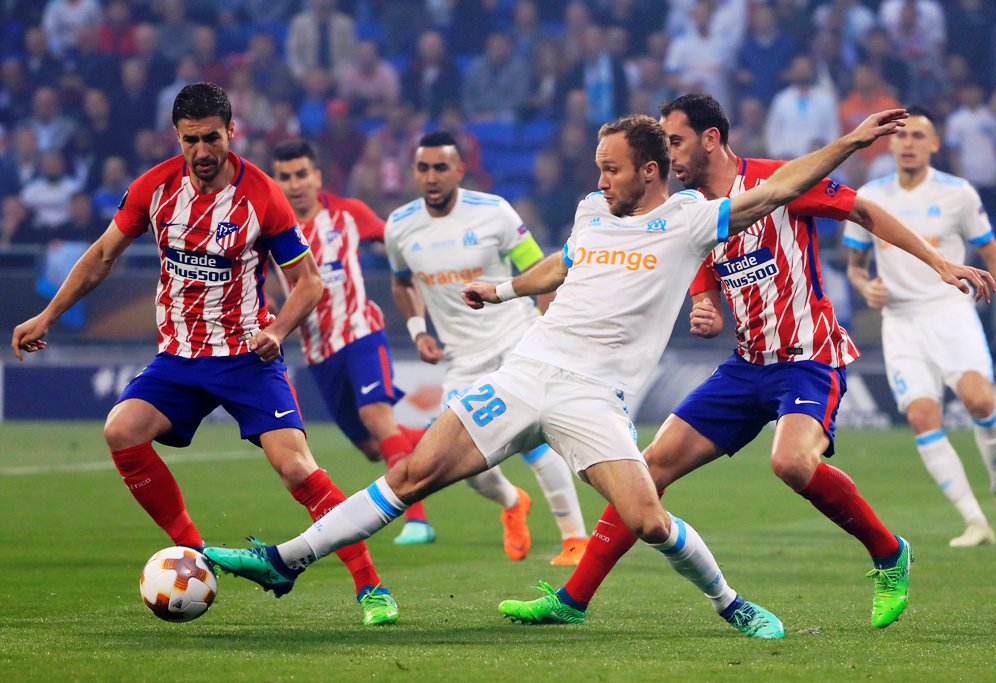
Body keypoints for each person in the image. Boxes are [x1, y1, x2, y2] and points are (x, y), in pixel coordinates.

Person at [202, 108, 924, 637]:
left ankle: (729, 602)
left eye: (612, 169)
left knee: (648, 519)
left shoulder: (689, 220)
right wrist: (505, 290)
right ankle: (286, 559)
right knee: (411, 473)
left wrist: (850, 142)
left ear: (648, 172)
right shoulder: (589, 210)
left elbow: (777, 190)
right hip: (527, 370)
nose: (599, 180)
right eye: (598, 167)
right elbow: (566, 263)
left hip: (594, 398)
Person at [498, 94, 994, 631]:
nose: (668, 154)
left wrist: (939, 262)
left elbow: (863, 210)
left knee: (792, 463)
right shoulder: (689, 209)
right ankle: (572, 600)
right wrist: (706, 302)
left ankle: (889, 552)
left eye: (676, 141)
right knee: (648, 469)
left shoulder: (776, 181)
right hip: (746, 365)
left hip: (808, 359)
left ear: (710, 138)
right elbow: (702, 268)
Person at [10, 83, 398, 627]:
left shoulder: (262, 195)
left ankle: (370, 586)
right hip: (179, 358)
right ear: (177, 136)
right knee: (122, 430)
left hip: (246, 357)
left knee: (296, 468)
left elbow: (309, 282)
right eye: (191, 140)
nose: (202, 150)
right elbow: (101, 256)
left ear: (231, 131)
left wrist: (278, 329)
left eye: (212, 137)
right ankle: (195, 554)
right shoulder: (153, 188)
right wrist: (48, 315)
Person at [384, 131, 589, 564]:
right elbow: (402, 283)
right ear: (414, 173)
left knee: (535, 441)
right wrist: (419, 330)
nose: (432, 177)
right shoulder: (399, 227)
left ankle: (575, 539)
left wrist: (550, 330)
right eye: (423, 168)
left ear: (459, 171)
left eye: (441, 167)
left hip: (517, 340)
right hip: (463, 361)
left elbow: (542, 270)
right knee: (457, 461)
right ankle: (513, 502)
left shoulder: (494, 212)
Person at [845, 107, 996, 547]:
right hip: (900, 322)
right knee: (922, 416)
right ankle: (974, 521)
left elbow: (995, 257)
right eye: (902, 136)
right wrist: (866, 287)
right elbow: (855, 266)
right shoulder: (870, 196)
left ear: (935, 144)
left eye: (919, 136)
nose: (909, 143)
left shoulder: (957, 193)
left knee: (980, 400)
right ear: (890, 143)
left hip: (950, 311)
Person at [270, 138, 435, 545]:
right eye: (285, 177)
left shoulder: (349, 213)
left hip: (362, 333)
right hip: (318, 353)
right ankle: (443, 435)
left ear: (317, 176)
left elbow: (394, 240)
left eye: (302, 174)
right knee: (372, 446)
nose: (295, 184)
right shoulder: (271, 229)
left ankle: (418, 521)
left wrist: (426, 262)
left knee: (377, 417)